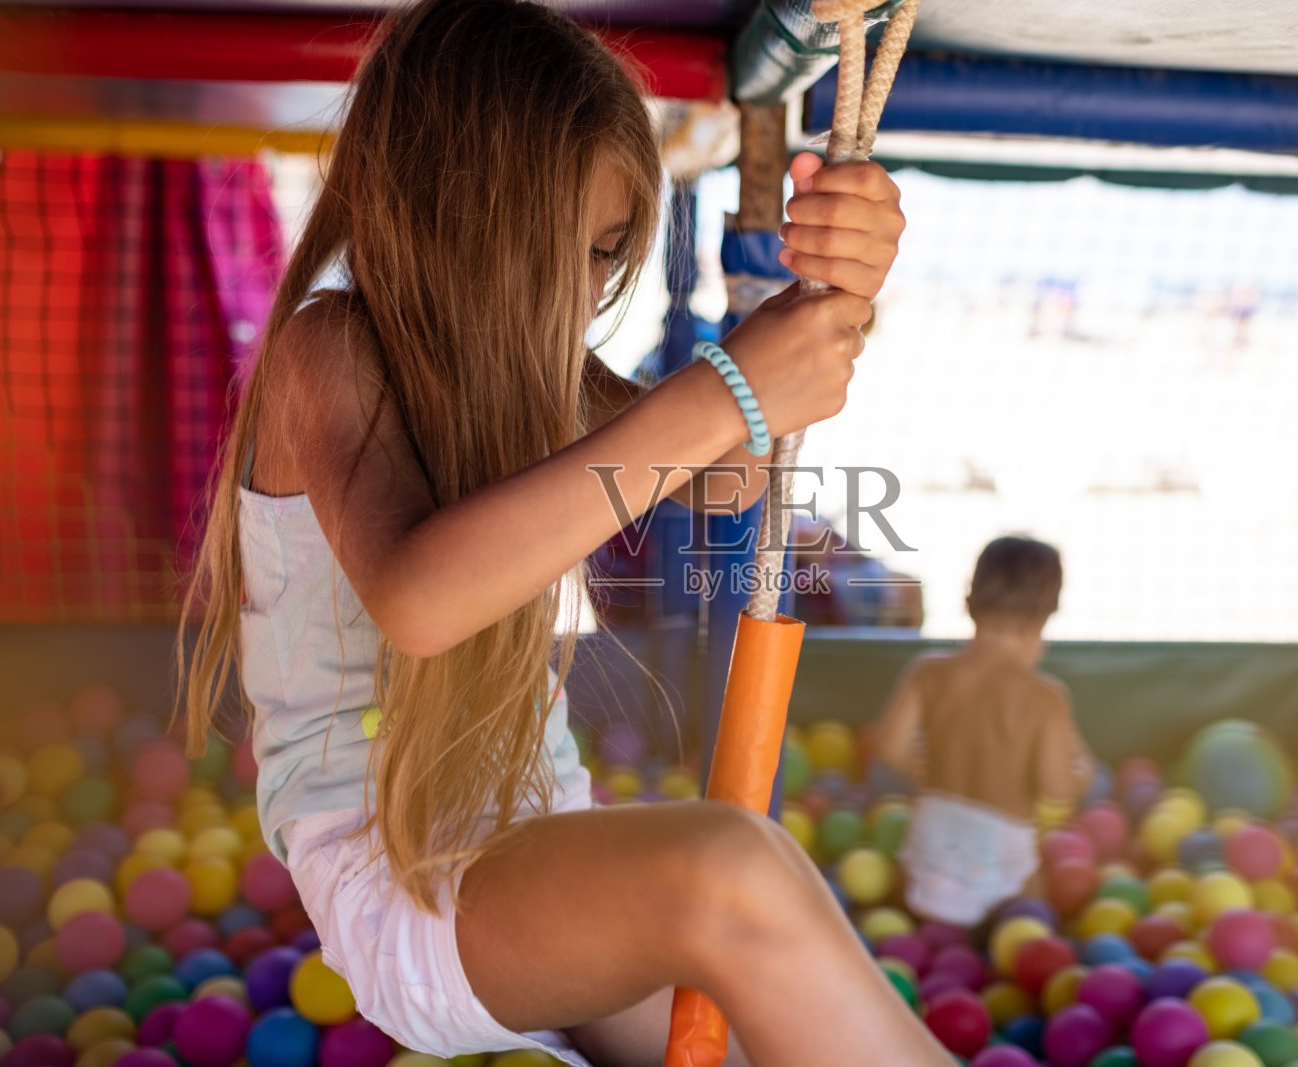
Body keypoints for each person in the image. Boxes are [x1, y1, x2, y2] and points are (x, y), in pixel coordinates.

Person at [176, 2, 949, 1065]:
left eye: (605, 256)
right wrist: (728, 388)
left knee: (740, 1027)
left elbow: (732, 487)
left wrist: (828, 301)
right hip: (409, 884)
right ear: (452, 216)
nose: (585, 296)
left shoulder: (543, 371)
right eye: (569, 255)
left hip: (535, 843)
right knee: (730, 869)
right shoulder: (330, 349)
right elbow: (421, 597)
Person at [868, 536, 1093, 927]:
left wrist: (918, 771)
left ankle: (902, 913)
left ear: (969, 602)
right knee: (1034, 922)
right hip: (1001, 864)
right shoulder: (1046, 697)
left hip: (930, 846)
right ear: (1044, 617)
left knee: (898, 913)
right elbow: (1055, 786)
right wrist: (1082, 776)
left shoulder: (928, 672)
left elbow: (888, 748)